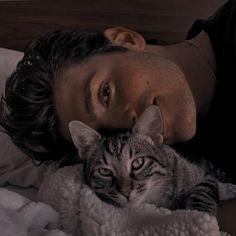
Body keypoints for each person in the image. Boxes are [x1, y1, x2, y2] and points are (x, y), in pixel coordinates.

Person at [1, 0, 236, 234]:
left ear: (126, 41)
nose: (126, 124)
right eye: (109, 134)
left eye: (105, 94)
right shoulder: (176, 156)